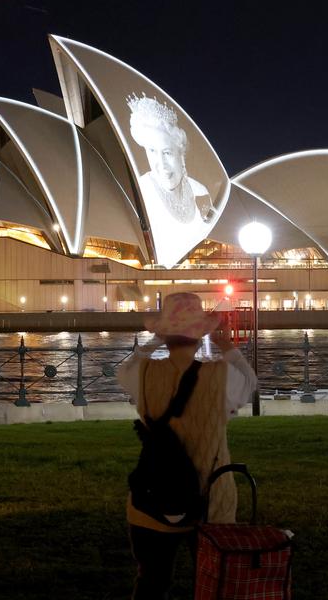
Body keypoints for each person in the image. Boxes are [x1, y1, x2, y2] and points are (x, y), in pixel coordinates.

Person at [119, 292, 257, 600]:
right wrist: (226, 346)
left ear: (165, 335)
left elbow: (125, 369)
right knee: (213, 582)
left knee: (152, 582)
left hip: (152, 498)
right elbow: (250, 383)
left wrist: (155, 340)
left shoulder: (142, 375)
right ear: (200, 335)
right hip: (211, 501)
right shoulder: (221, 377)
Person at [127, 93, 215, 266]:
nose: (161, 164)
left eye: (167, 152)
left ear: (180, 153)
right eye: (152, 151)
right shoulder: (141, 192)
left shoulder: (200, 192)